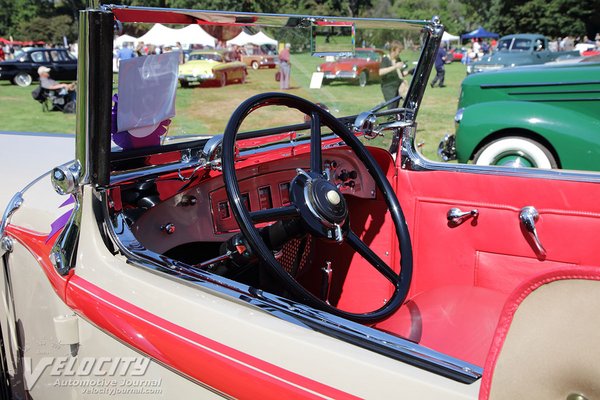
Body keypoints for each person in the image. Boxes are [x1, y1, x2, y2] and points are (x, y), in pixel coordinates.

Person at [378, 40, 406, 109]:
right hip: (388, 88)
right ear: (393, 50)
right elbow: (380, 72)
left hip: (397, 87)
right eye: (398, 51)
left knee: (396, 108)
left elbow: (401, 74)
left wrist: (410, 72)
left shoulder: (398, 59)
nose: (399, 53)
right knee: (391, 108)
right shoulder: (385, 59)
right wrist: (395, 66)